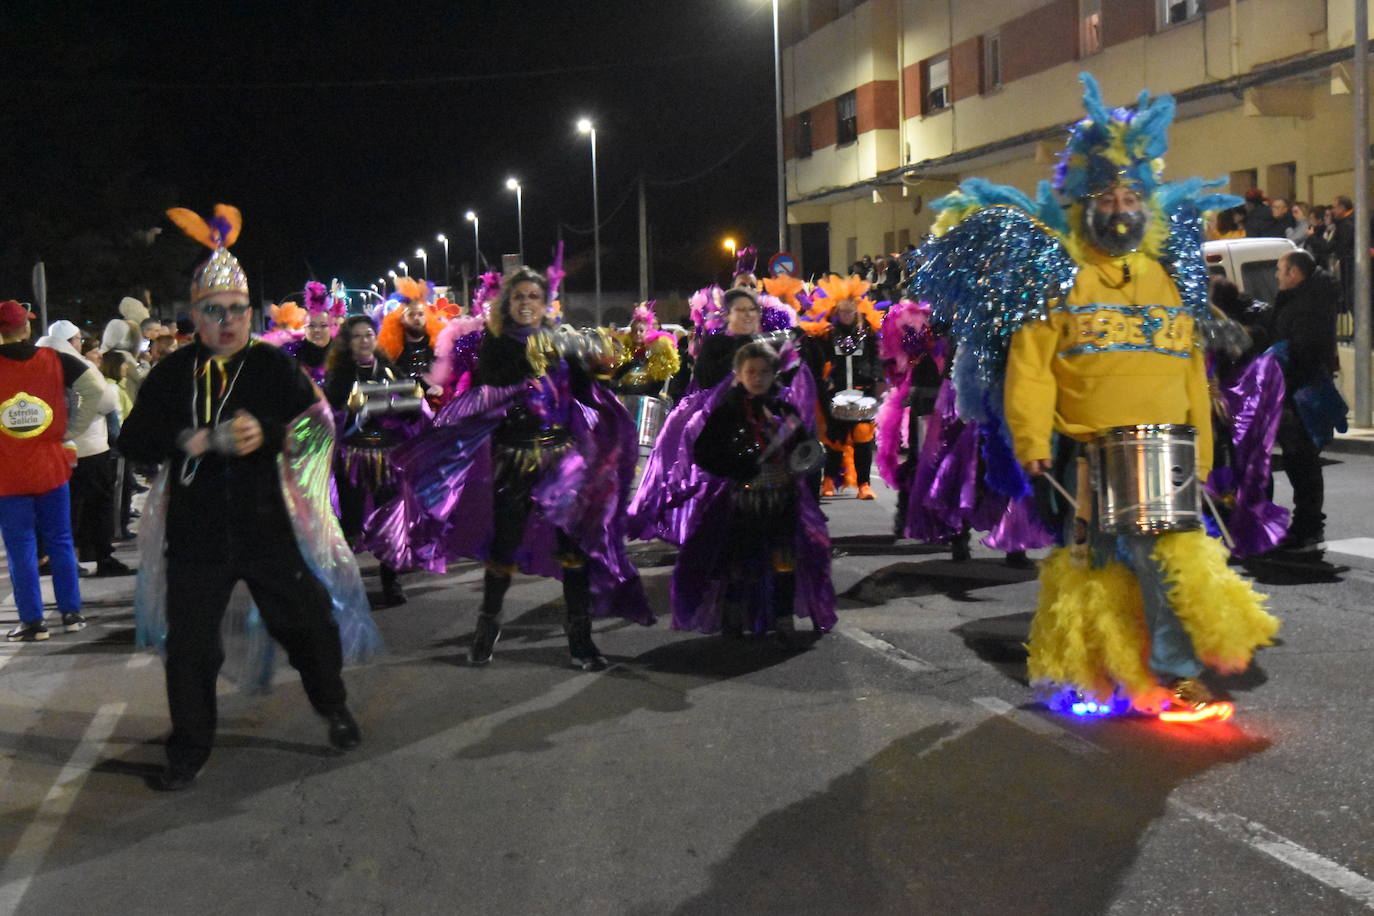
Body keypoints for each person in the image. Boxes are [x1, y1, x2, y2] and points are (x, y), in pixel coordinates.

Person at [915, 74, 1277, 720]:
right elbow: (1031, 369)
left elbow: (1192, 368)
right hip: (1086, 454)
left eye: (1131, 193)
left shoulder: (1165, 280)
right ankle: (1094, 671)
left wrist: (1205, 444)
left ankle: (1174, 675)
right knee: (1092, 566)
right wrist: (1029, 443)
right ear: (1084, 203)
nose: (1120, 206)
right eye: (1107, 194)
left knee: (1166, 563)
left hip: (1166, 449)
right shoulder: (1059, 279)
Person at [120, 204, 371, 791]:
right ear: (196, 316)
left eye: (238, 310)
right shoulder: (173, 372)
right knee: (190, 650)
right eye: (215, 311)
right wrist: (190, 438)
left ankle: (331, 704)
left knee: (308, 623)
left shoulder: (271, 366)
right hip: (197, 533)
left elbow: (319, 425)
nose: (229, 321)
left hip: (265, 525)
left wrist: (273, 433)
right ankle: (188, 750)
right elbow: (134, 440)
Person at [365, 267, 654, 670]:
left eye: (532, 297)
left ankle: (581, 640)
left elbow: (588, 392)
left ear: (544, 303)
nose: (524, 303)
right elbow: (493, 386)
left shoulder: (562, 343)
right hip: (513, 460)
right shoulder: (496, 344)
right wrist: (531, 364)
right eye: (517, 296)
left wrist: (600, 363)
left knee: (573, 549)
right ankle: (488, 627)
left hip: (561, 460)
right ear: (507, 303)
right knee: (503, 549)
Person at [683, 341, 835, 647]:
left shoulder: (785, 410)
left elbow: (805, 449)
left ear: (774, 374)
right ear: (738, 374)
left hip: (783, 500)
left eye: (764, 371)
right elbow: (703, 452)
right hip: (743, 501)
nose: (757, 377)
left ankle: (783, 621)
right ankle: (734, 617)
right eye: (750, 371)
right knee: (738, 562)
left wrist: (806, 460)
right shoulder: (727, 411)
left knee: (784, 561)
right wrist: (737, 466)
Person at [1, 300, 104, 641]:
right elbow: (95, 390)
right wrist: (71, 429)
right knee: (61, 540)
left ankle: (33, 622)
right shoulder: (54, 358)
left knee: (22, 548)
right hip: (51, 467)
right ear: (27, 327)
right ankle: (71, 613)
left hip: (8, 473)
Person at [324, 314, 419, 606]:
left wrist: (414, 400)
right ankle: (345, 584)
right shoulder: (339, 375)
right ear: (348, 342)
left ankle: (391, 582)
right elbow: (329, 415)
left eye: (369, 335)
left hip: (387, 459)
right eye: (358, 336)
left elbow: (411, 414)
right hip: (352, 457)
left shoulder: (391, 371)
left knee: (390, 520)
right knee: (350, 525)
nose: (365, 340)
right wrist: (348, 409)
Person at [1269, 249, 1343, 552]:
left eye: (1279, 269)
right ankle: (1305, 526)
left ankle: (1308, 528)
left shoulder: (1308, 306)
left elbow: (1303, 350)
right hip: (1295, 394)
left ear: (1294, 273)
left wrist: (1280, 359)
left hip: (1301, 396)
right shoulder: (1303, 299)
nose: (1276, 275)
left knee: (1303, 463)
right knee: (1299, 463)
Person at [802, 275, 883, 500]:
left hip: (862, 391)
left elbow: (876, 357)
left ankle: (864, 484)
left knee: (863, 438)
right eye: (842, 311)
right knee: (834, 438)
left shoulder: (867, 331)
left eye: (850, 310)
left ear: (857, 309)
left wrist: (875, 378)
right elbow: (816, 356)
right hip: (835, 392)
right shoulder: (828, 333)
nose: (846, 315)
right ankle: (828, 480)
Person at [611, 302, 679, 397]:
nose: (638, 334)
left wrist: (641, 391)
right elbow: (616, 375)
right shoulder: (626, 352)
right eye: (635, 331)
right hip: (627, 398)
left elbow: (659, 380)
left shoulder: (655, 351)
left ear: (648, 332)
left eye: (641, 331)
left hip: (648, 399)